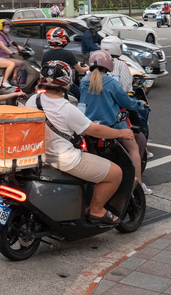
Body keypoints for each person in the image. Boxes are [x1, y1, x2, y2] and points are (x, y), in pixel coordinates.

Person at [26, 61, 135, 224]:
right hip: (64, 160)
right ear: (67, 80)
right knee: (116, 173)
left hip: (40, 156)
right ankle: (96, 210)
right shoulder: (66, 107)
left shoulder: (33, 100)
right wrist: (121, 132)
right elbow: (95, 130)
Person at [81, 50, 150, 195]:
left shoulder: (83, 81)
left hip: (89, 126)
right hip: (112, 125)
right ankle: (139, 184)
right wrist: (140, 103)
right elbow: (127, 102)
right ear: (108, 65)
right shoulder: (111, 82)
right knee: (133, 148)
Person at [43, 27, 87, 100]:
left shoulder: (46, 54)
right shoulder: (68, 54)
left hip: (49, 83)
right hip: (64, 84)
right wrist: (88, 67)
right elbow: (80, 70)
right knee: (80, 95)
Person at [0, 19, 25, 88]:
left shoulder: (7, 36)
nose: (7, 28)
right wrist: (11, 52)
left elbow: (13, 45)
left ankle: (13, 79)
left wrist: (24, 49)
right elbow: (3, 46)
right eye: (6, 26)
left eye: (8, 27)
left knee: (21, 63)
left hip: (5, 58)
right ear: (0, 27)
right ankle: (5, 81)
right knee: (12, 64)